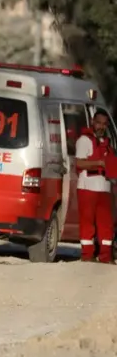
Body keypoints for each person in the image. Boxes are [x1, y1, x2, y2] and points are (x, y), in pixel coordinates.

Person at [75, 111, 115, 264]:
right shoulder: (84, 140)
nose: (101, 127)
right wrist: (99, 163)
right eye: (99, 123)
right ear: (93, 122)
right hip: (87, 186)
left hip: (105, 187)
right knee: (87, 223)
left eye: (105, 124)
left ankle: (106, 256)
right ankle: (87, 255)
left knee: (106, 224)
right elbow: (79, 163)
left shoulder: (107, 142)